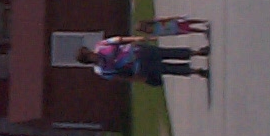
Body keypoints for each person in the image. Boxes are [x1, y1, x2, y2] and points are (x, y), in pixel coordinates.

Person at [76, 36, 209, 85]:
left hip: (138, 50)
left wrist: (137, 39)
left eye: (89, 51)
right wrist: (138, 79)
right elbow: (119, 77)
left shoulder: (101, 45)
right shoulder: (100, 70)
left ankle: (197, 52)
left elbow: (119, 40)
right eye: (89, 55)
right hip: (138, 67)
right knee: (166, 69)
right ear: (88, 60)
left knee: (167, 52)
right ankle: (196, 71)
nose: (92, 53)